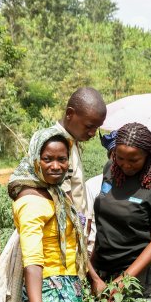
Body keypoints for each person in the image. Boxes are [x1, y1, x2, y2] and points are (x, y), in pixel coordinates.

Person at [9, 128, 93, 302]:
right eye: (47, 159)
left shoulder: (56, 192)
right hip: (47, 291)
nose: (56, 166)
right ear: (35, 158)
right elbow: (33, 260)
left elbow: (76, 245)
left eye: (62, 159)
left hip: (68, 284)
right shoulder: (32, 201)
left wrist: (93, 278)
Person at [91, 122, 151, 298]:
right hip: (103, 265)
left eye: (133, 160)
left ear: (148, 155)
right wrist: (92, 268)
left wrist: (124, 280)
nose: (125, 165)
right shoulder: (111, 169)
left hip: (140, 273)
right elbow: (103, 222)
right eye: (119, 158)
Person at [51, 87, 107, 218]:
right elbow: (63, 199)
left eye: (96, 128)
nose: (93, 133)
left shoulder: (71, 140)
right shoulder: (54, 145)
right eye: (88, 126)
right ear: (70, 113)